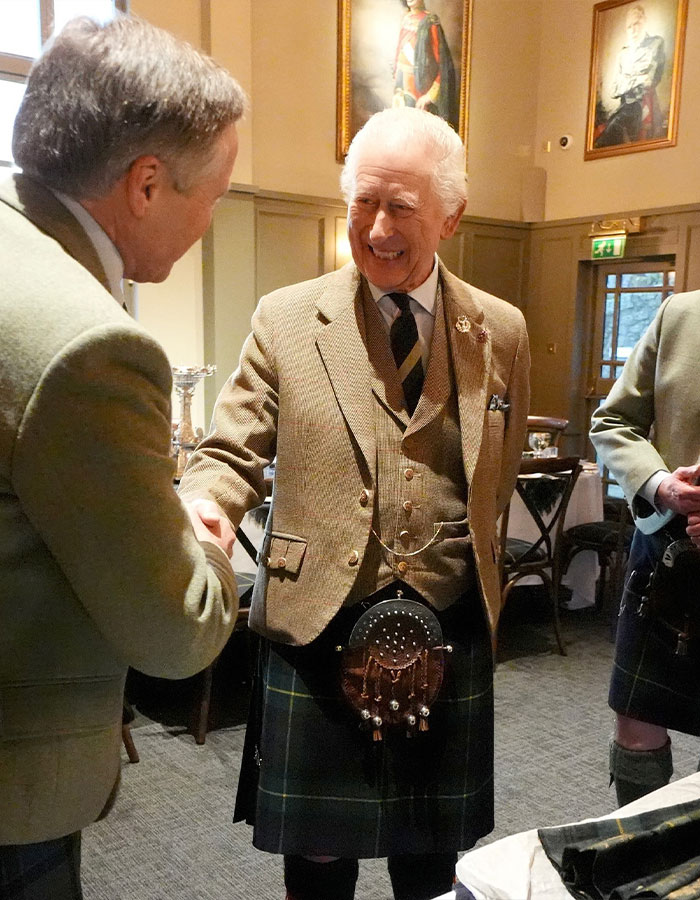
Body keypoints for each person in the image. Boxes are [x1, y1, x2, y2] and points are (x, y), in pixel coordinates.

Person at [181, 106, 530, 900]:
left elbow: (498, 477)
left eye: (400, 207)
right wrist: (208, 508)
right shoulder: (287, 317)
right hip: (316, 626)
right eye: (361, 203)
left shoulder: (500, 331)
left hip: (450, 629)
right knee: (317, 860)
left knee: (431, 856)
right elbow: (229, 449)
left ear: (451, 215)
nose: (375, 229)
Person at [0, 14, 247, 897]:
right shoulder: (89, 344)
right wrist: (203, 531)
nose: (212, 222)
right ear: (146, 184)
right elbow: (175, 630)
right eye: (214, 195)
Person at [590, 291, 700, 808]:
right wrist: (660, 484)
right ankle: (642, 857)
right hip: (667, 555)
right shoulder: (681, 313)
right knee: (636, 726)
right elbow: (614, 422)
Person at [594, 3, 665, 148]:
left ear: (644, 21)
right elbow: (614, 90)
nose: (633, 29)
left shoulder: (655, 43)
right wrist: (638, 78)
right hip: (625, 107)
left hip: (642, 104)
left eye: (636, 24)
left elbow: (650, 80)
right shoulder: (623, 53)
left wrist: (628, 81)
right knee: (601, 141)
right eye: (629, 27)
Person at [392, 0, 459, 131]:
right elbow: (398, 52)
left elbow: (442, 66)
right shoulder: (405, 19)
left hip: (419, 87)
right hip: (401, 83)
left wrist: (430, 95)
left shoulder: (430, 22)